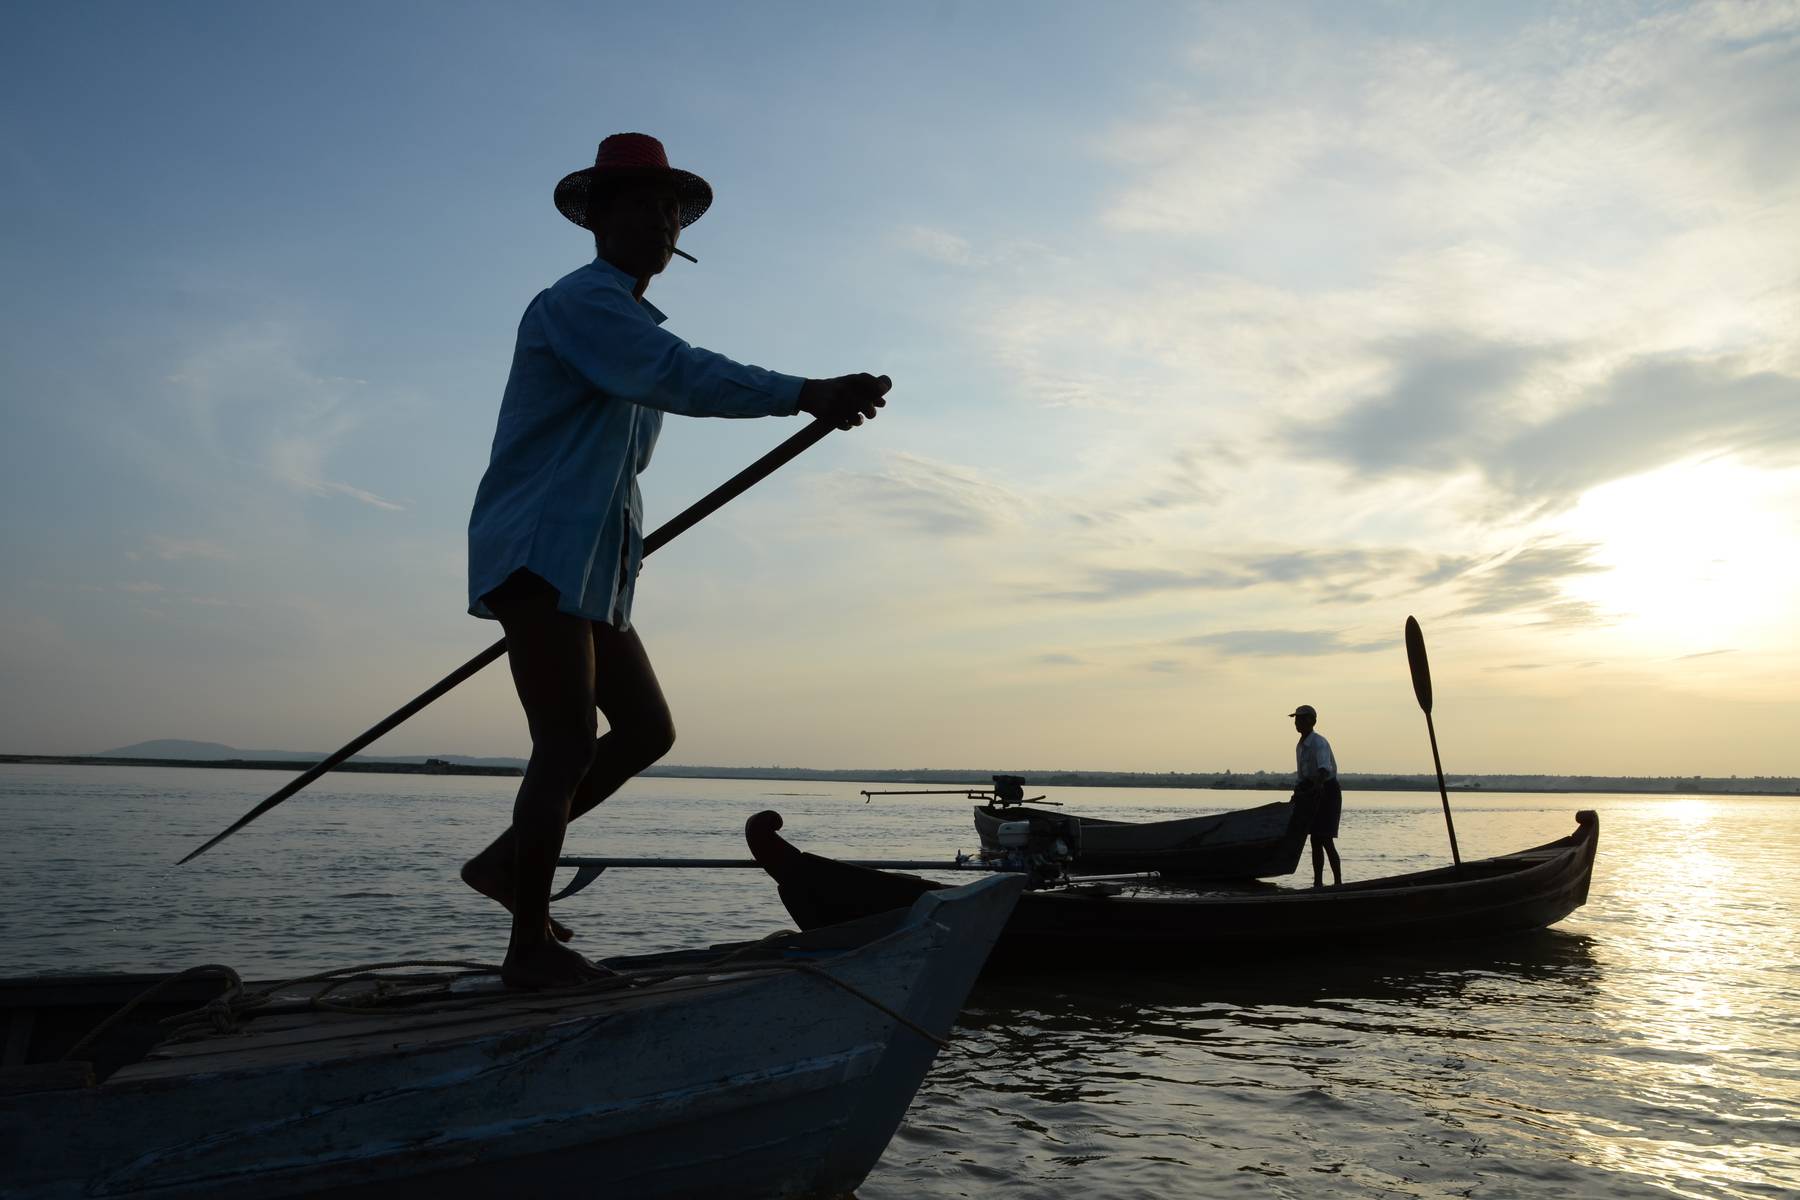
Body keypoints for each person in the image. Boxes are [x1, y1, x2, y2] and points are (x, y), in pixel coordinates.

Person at [462, 133, 891, 988]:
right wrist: (803, 394)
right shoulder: (581, 305)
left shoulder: (623, 321)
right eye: (640, 206)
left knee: (647, 730)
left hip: (592, 562)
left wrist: (627, 552)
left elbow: (636, 429)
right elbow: (678, 375)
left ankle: (510, 866)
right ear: (597, 219)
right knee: (566, 742)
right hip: (540, 551)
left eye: (668, 209)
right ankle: (528, 950)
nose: (658, 221)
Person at [1290, 704, 1342, 887]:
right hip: (1312, 791)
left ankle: (1338, 884)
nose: (1298, 722)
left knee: (1325, 838)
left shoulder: (1319, 742)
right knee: (1314, 840)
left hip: (1327, 791)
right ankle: (1318, 883)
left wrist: (1316, 788)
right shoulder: (1300, 746)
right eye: (1296, 719)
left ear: (1312, 721)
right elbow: (1301, 776)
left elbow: (1323, 770)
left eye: (1302, 719)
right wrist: (1297, 794)